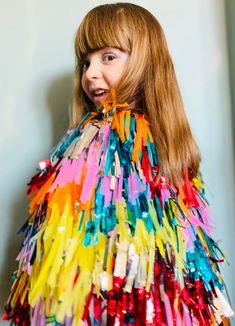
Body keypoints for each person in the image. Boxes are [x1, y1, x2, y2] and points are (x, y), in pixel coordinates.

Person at [3, 3, 234, 325]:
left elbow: (185, 267)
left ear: (145, 61)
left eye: (108, 57)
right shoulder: (88, 140)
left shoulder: (147, 145)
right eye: (85, 62)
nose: (90, 73)